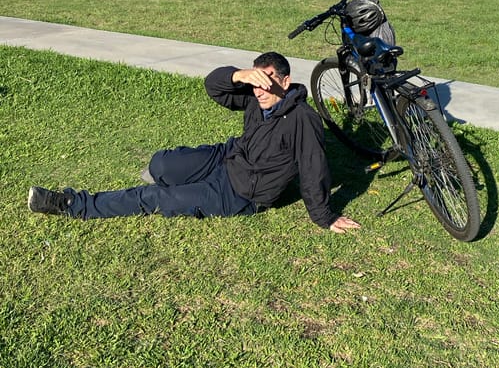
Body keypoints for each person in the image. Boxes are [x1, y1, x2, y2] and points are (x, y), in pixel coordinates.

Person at [27, 52, 361, 234]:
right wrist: (239, 76)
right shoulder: (256, 96)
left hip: (239, 192)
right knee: (161, 163)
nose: (259, 90)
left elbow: (315, 170)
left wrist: (324, 216)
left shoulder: (303, 119)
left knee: (155, 196)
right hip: (225, 157)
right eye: (256, 81)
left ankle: (72, 204)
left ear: (285, 82)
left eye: (267, 81)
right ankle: (176, 176)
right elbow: (213, 87)